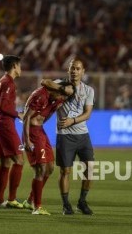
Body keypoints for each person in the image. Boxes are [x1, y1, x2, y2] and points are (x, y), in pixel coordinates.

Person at [40, 57, 95, 215]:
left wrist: (73, 120)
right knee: (65, 171)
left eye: (78, 68)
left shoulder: (89, 90)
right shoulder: (61, 84)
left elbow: (88, 114)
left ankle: (82, 202)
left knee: (89, 169)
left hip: (83, 134)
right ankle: (66, 204)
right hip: (64, 135)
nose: (74, 71)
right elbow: (44, 81)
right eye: (72, 68)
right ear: (68, 70)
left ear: (83, 71)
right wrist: (62, 89)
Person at [22, 81, 75, 215]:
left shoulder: (56, 101)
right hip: (33, 132)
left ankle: (30, 200)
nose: (64, 99)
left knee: (50, 167)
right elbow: (27, 117)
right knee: (41, 169)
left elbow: (45, 117)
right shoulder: (41, 95)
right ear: (58, 90)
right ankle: (37, 207)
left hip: (40, 131)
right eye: (63, 96)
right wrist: (27, 140)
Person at [0, 55, 25, 209]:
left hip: (0, 124)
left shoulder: (2, 81)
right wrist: (18, 114)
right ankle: (11, 199)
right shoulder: (8, 83)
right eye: (19, 65)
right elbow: (3, 106)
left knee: (5, 162)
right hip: (5, 125)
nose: (21, 68)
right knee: (19, 160)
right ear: (14, 66)